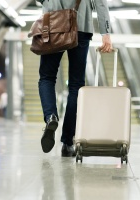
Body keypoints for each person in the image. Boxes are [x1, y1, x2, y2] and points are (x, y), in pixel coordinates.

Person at [36, 0, 113, 156]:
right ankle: (67, 142)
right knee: (76, 85)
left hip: (53, 22)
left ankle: (51, 116)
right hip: (81, 25)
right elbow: (101, 3)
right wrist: (105, 33)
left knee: (47, 78)